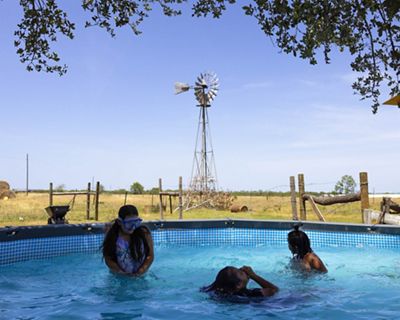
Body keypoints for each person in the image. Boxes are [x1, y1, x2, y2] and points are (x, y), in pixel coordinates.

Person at [102, 205, 154, 276]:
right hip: (119, 276)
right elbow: (108, 259)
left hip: (140, 276)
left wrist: (140, 272)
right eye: (129, 223)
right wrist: (121, 273)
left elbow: (150, 255)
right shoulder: (113, 236)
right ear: (119, 222)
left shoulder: (144, 233)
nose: (133, 227)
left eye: (135, 222)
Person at [202, 266, 278, 298]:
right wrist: (253, 275)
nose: (243, 271)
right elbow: (275, 290)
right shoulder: (252, 294)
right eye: (241, 273)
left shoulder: (216, 292)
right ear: (238, 285)